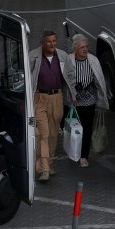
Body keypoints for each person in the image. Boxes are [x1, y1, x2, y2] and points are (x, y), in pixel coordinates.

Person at [29, 30, 75, 182]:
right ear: (42, 42)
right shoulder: (33, 56)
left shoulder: (63, 56)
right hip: (39, 98)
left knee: (54, 134)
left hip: (57, 97)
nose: (52, 44)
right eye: (49, 41)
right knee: (43, 133)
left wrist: (72, 96)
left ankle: (48, 163)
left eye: (54, 41)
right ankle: (44, 169)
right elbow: (27, 77)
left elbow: (71, 76)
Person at [62, 34, 108, 168]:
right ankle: (72, 152)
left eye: (87, 47)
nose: (85, 49)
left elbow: (99, 80)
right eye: (82, 47)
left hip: (89, 100)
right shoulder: (68, 60)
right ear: (75, 48)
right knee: (73, 128)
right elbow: (65, 82)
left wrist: (101, 99)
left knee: (87, 129)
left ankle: (83, 156)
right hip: (74, 101)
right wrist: (71, 96)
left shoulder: (93, 60)